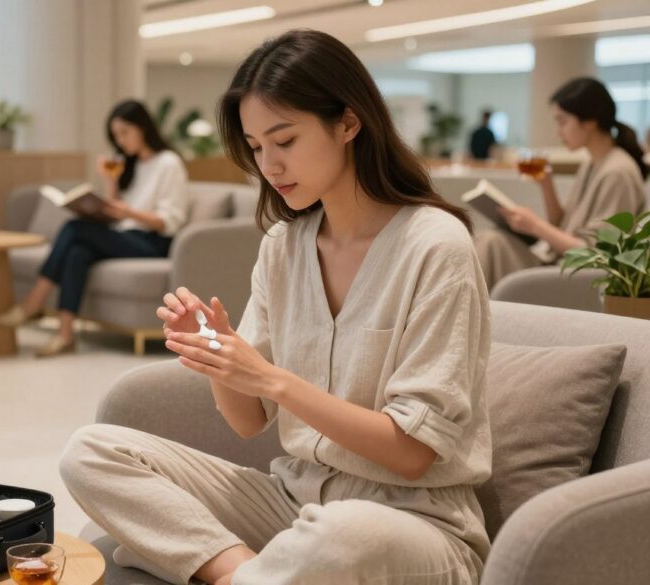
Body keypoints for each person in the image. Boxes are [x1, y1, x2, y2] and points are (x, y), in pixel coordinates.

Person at [60, 29, 492, 585]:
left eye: (284, 140)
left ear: (348, 123)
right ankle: (244, 574)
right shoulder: (284, 246)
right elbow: (246, 422)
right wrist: (218, 353)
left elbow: (412, 455)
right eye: (257, 147)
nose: (269, 164)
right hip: (293, 503)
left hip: (409, 521)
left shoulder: (437, 246)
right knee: (91, 451)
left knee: (344, 536)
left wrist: (271, 379)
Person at [0, 99, 189, 357]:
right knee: (77, 252)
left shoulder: (169, 163)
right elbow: (117, 212)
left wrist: (127, 211)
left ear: (143, 128)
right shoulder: (129, 163)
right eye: (115, 135)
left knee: (74, 229)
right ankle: (65, 335)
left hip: (154, 242)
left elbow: (170, 221)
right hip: (126, 234)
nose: (120, 141)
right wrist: (109, 183)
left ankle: (34, 301)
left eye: (124, 133)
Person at [475, 77, 648, 289]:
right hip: (561, 263)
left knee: (491, 243)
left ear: (590, 121)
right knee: (490, 239)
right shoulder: (591, 163)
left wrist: (535, 226)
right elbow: (562, 225)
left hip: (578, 277)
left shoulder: (618, 172)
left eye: (563, 121)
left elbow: (598, 255)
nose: (559, 131)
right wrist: (547, 186)